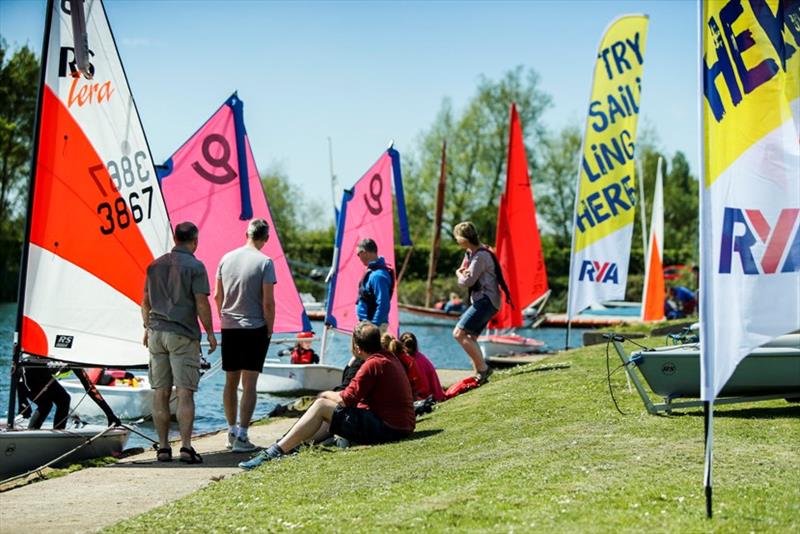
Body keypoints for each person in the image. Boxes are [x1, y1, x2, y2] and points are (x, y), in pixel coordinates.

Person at [239, 321, 415, 469]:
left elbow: (346, 399)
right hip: (400, 426)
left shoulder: (372, 365)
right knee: (329, 410)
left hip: (390, 429)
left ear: (357, 347)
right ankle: (290, 445)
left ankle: (273, 453)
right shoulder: (387, 358)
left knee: (322, 405)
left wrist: (324, 393)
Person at [142, 221, 217, 464]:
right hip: (182, 335)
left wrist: (146, 328)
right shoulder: (196, 266)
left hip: (156, 334)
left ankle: (163, 448)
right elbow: (201, 303)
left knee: (160, 392)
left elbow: (145, 302)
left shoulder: (155, 265)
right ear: (194, 241)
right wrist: (210, 332)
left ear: (175, 240)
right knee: (184, 393)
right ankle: (186, 447)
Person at [214, 218, 276, 453]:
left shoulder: (225, 258)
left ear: (246, 234)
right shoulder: (266, 262)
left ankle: (230, 431)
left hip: (229, 326)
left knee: (230, 383)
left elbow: (217, 296)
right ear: (265, 239)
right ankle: (242, 435)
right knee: (249, 385)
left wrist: (225, 318)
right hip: (254, 328)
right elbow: (268, 302)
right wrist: (269, 328)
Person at [452, 221, 508, 384]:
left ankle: (483, 369)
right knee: (470, 336)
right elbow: (466, 271)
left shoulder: (480, 256)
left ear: (463, 239)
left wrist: (458, 274)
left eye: (457, 237)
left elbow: (466, 281)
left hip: (486, 300)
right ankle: (479, 370)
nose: (456, 241)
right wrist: (463, 272)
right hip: (488, 301)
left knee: (458, 333)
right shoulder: (472, 252)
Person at [355, 238, 395, 330]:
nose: (358, 257)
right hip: (366, 325)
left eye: (358, 254)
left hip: (373, 327)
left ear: (364, 252)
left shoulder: (378, 276)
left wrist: (374, 327)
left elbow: (383, 304)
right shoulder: (373, 272)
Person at [399, 332, 446, 402]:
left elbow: (424, 387)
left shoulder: (412, 361)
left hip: (428, 396)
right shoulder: (420, 357)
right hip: (436, 393)